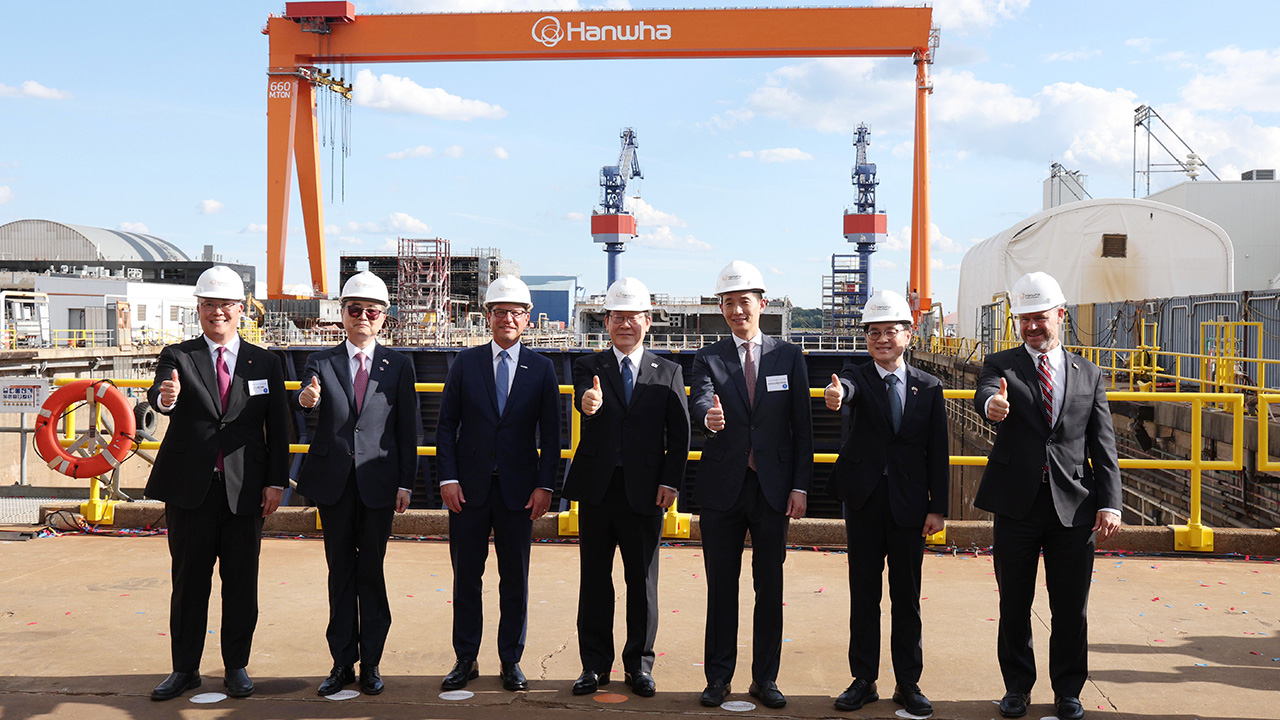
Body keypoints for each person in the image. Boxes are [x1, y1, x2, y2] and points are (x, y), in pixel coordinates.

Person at [973, 272, 1122, 720]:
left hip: (1074, 507)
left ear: (1060, 315)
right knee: (1014, 604)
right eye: (1024, 319)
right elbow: (986, 393)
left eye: (1039, 317)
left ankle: (1068, 691)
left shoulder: (1089, 373)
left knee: (1071, 607)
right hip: (1017, 506)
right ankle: (1017, 688)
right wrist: (992, 405)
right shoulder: (1001, 365)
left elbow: (1103, 443)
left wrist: (1110, 502)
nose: (1032, 327)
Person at [144, 265, 289, 701]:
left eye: (225, 304)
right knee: (189, 583)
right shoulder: (178, 355)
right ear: (199, 309)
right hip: (191, 491)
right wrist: (164, 399)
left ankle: (236, 666)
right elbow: (160, 393)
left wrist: (276, 482)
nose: (217, 312)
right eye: (209, 304)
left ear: (241, 309)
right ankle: (184, 669)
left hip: (245, 491)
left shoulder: (266, 362)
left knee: (241, 583)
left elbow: (278, 428)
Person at [688, 260, 813, 710]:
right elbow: (701, 397)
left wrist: (800, 486)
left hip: (772, 489)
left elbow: (802, 427)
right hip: (723, 488)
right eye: (728, 303)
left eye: (744, 301)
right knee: (721, 588)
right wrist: (708, 416)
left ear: (762, 304)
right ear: (720, 308)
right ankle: (718, 678)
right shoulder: (709, 356)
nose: (737, 310)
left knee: (769, 587)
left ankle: (766, 678)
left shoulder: (788, 356)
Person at [291, 271, 422, 696]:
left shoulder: (398, 366)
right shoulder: (321, 362)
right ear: (342, 314)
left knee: (371, 572)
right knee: (340, 572)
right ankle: (341, 662)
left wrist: (406, 483)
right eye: (354, 309)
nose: (362, 317)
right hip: (335, 484)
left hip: (379, 483)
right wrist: (305, 400)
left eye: (371, 311)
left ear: (383, 317)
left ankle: (372, 663)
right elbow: (306, 398)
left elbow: (408, 430)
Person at [562, 277, 690, 698]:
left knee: (642, 582)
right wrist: (589, 404)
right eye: (617, 317)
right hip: (597, 490)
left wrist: (670, 482)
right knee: (594, 581)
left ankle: (639, 665)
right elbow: (585, 398)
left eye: (633, 317)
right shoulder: (589, 366)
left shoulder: (668, 371)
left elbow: (680, 433)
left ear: (648, 321)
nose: (625, 325)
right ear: (606, 321)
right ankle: (594, 666)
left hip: (646, 491)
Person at [823, 290, 948, 717]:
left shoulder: (929, 387)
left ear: (908, 335)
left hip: (910, 504)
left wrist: (937, 507)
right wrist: (837, 395)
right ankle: (864, 680)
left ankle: (908, 682)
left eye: (890, 331)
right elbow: (846, 391)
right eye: (873, 332)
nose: (881, 339)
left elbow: (938, 451)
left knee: (906, 596)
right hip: (865, 500)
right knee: (864, 593)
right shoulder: (855, 375)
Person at [436, 274, 562, 693]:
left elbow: (552, 435)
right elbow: (446, 425)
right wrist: (448, 478)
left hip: (519, 493)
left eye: (515, 312)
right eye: (499, 311)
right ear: (487, 316)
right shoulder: (465, 363)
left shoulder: (541, 369)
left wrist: (545, 486)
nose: (507, 318)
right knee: (466, 578)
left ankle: (511, 660)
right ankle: (465, 658)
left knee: (515, 579)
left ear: (528, 319)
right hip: (468, 490)